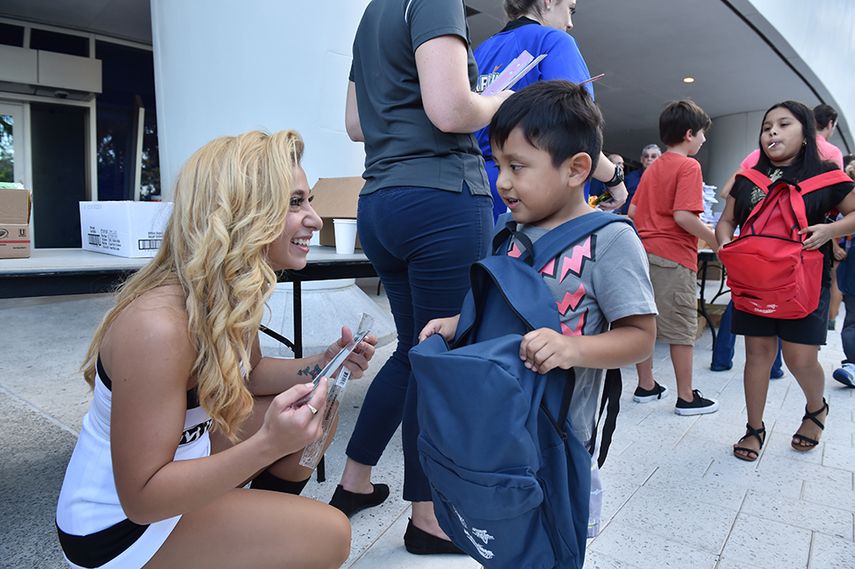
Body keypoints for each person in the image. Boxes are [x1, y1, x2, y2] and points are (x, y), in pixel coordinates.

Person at [55, 130, 379, 568]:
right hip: (116, 528)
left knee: (317, 413)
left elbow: (253, 375)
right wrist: (266, 444)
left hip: (172, 476)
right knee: (331, 535)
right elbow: (142, 500)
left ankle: (249, 535)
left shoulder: (225, 293)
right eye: (295, 202)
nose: (316, 219)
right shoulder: (157, 327)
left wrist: (322, 365)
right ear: (244, 213)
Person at [418, 80, 656, 540]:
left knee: (554, 542)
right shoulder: (505, 230)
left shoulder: (610, 240)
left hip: (559, 438)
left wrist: (572, 347)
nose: (503, 181)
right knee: (506, 536)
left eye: (518, 166)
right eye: (498, 164)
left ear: (576, 169)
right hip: (498, 428)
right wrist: (456, 323)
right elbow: (488, 304)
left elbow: (640, 338)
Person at [335, 0, 512, 555]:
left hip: (381, 200)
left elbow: (356, 123)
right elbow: (452, 111)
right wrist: (498, 100)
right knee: (439, 357)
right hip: (440, 198)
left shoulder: (373, 13)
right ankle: (429, 521)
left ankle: (354, 484)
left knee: (413, 353)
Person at [716, 101, 855, 461]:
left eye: (782, 125)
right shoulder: (749, 180)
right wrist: (724, 244)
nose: (772, 132)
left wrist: (831, 230)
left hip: (806, 283)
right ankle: (754, 428)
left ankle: (815, 409)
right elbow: (726, 220)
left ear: (806, 135)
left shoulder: (827, 178)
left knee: (799, 359)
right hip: (753, 281)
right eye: (766, 128)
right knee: (757, 355)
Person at [472, 0, 628, 222]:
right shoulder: (554, 41)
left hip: (478, 189)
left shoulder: (480, 52)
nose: (570, 23)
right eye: (570, 9)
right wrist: (614, 178)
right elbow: (576, 128)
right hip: (535, 195)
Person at [629, 100, 720, 415]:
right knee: (682, 326)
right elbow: (683, 216)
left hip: (642, 255)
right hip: (674, 256)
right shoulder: (689, 166)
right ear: (689, 133)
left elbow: (633, 210)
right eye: (703, 134)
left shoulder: (653, 169)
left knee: (644, 323)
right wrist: (715, 238)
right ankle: (686, 396)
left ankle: (646, 386)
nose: (705, 140)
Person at [832, 158, 855, 388]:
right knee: (852, 319)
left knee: (852, 321)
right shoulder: (846, 207)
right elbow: (833, 230)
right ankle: (852, 365)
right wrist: (836, 247)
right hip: (851, 270)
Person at [622, 144, 662, 214]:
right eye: (646, 156)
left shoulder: (666, 179)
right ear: (641, 159)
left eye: (653, 156)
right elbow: (615, 193)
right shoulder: (630, 178)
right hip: (628, 218)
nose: (649, 159)